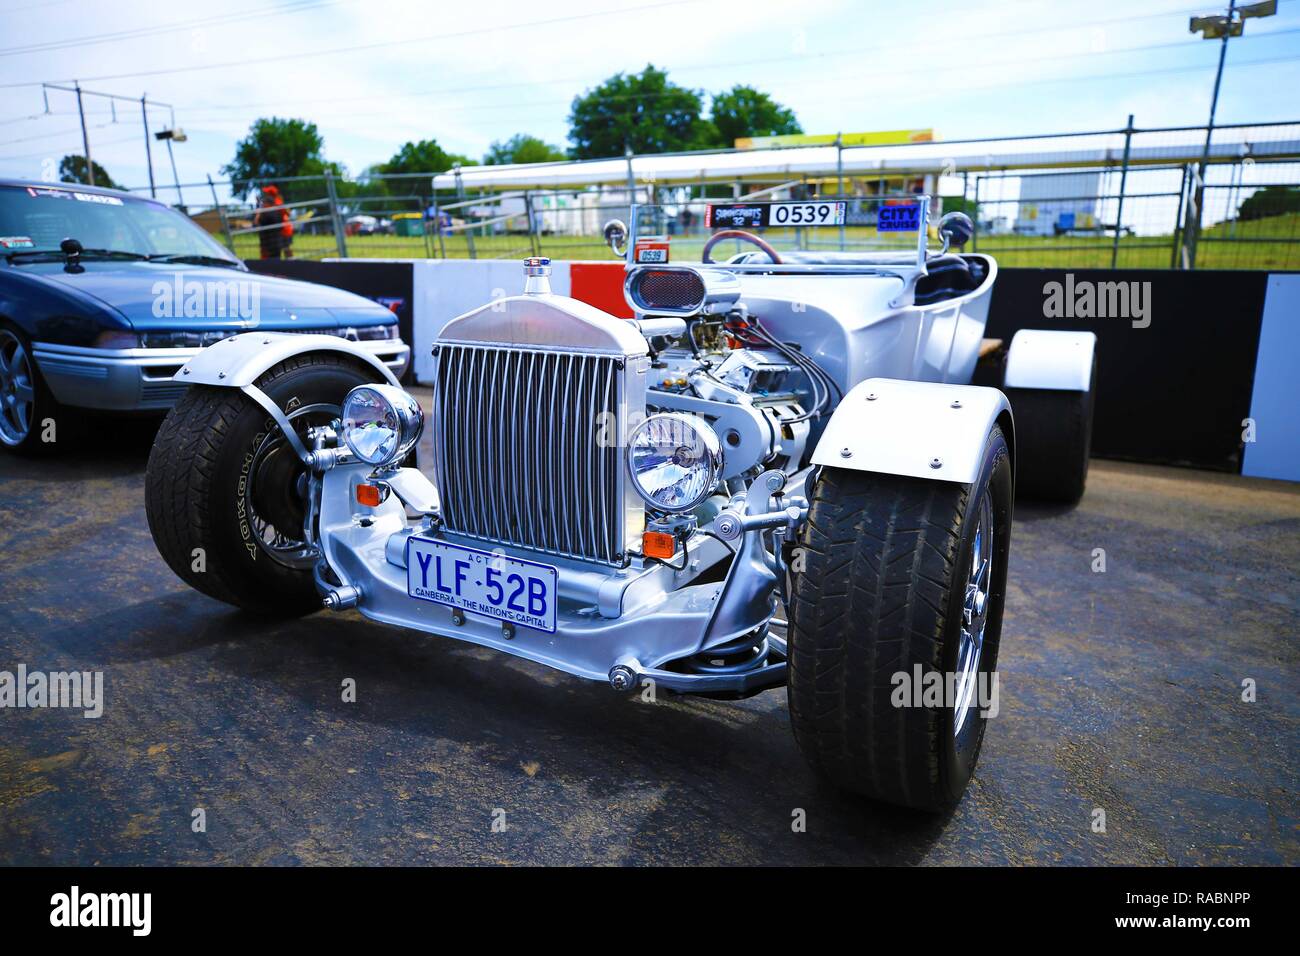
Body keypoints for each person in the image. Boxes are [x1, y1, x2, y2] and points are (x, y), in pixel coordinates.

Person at [254, 184, 293, 259]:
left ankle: (291, 262)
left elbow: (287, 213)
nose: (264, 194)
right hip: (280, 229)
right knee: (282, 250)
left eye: (266, 193)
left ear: (270, 194)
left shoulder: (275, 203)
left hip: (283, 230)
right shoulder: (273, 202)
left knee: (285, 249)